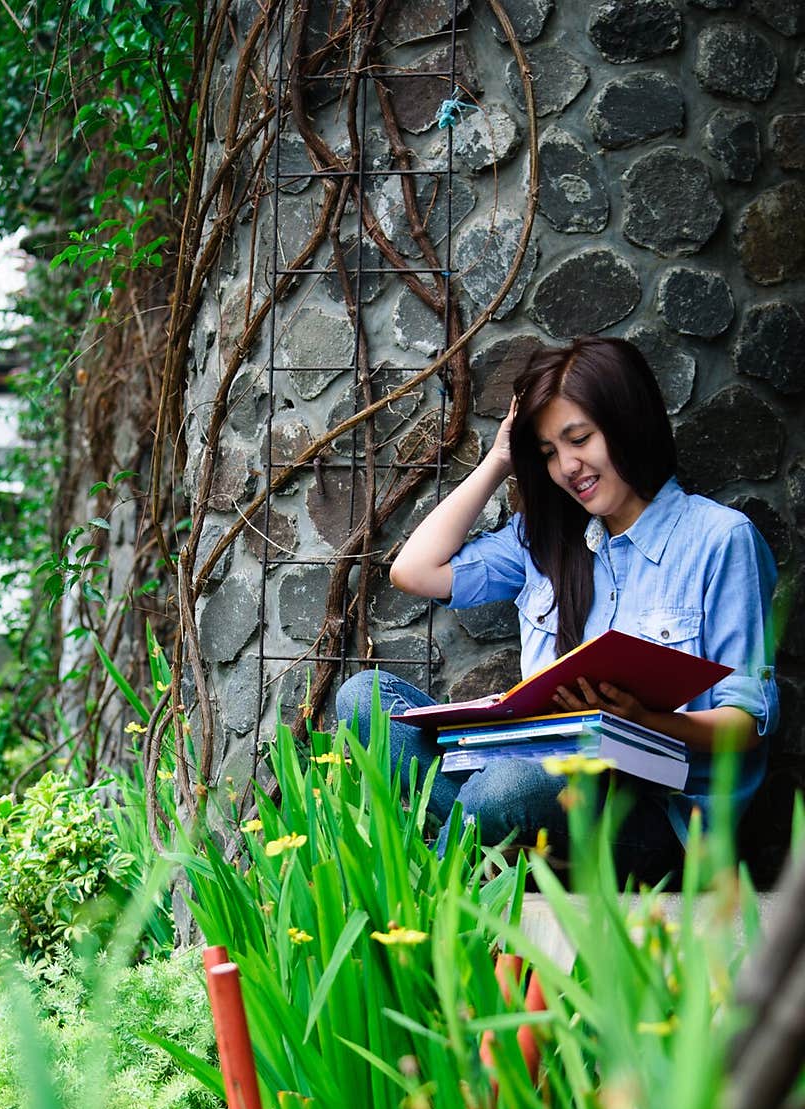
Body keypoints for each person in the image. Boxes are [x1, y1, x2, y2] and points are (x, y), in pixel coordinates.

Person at [334, 334, 780, 884]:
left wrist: (645, 721)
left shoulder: (720, 541)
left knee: (504, 788)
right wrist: (501, 458)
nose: (568, 466)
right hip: (539, 783)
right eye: (548, 453)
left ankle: (422, 903)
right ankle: (510, 841)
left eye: (579, 439)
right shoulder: (543, 542)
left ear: (627, 422)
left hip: (658, 815)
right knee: (364, 700)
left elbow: (747, 724)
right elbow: (413, 571)